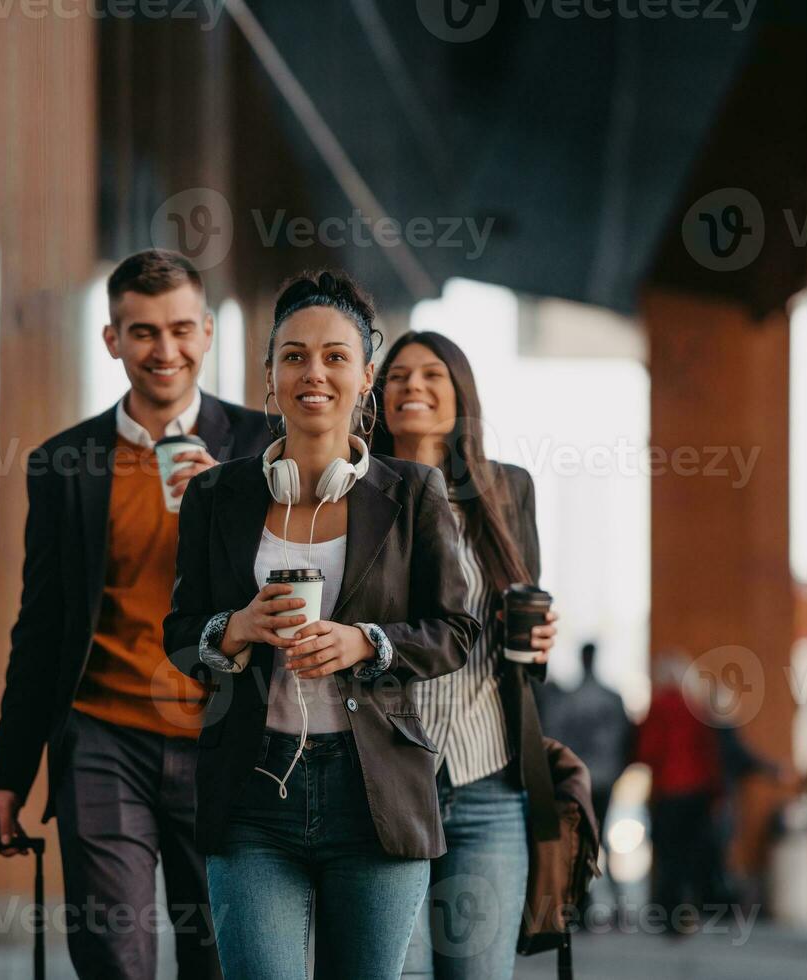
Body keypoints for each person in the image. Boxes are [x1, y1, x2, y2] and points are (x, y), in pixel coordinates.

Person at [164, 271, 477, 979]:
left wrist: (367, 641)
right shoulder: (216, 496)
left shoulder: (414, 494)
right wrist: (236, 628)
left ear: (366, 376)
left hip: (376, 797)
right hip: (251, 792)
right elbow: (180, 633)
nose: (315, 372)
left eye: (336, 356)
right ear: (269, 375)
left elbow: (458, 628)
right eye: (295, 355)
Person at [0, 249, 271, 980]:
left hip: (223, 736)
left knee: (224, 955)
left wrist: (229, 504)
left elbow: (299, 586)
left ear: (205, 332)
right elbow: (38, 629)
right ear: (113, 340)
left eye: (179, 330)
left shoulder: (263, 447)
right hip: (104, 739)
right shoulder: (62, 463)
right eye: (142, 332)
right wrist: (7, 776)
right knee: (113, 955)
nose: (163, 351)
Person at [372, 330, 558, 980]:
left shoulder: (508, 492)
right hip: (385, 786)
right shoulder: (355, 494)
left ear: (460, 397)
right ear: (378, 394)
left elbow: (519, 631)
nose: (412, 387)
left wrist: (537, 643)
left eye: (431, 375)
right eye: (397, 376)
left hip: (489, 784)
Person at [537, 642, 633, 911]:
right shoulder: (610, 698)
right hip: (602, 776)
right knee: (598, 837)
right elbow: (626, 739)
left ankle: (583, 902)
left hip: (580, 778)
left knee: (582, 838)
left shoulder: (570, 700)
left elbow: (553, 736)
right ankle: (612, 902)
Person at [634, 652, 722, 932]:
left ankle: (669, 913)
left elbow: (648, 750)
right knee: (690, 853)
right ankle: (687, 910)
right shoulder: (696, 708)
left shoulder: (659, 707)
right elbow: (711, 753)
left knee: (668, 854)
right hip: (697, 792)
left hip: (669, 791)